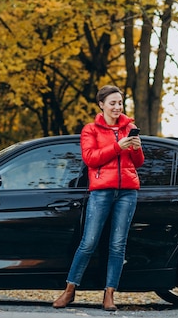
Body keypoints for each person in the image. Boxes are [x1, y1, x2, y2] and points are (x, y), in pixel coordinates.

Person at [52, 85, 144, 311]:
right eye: (112, 103)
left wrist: (136, 148)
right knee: (89, 242)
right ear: (101, 105)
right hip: (101, 191)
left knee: (117, 244)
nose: (117, 107)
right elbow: (91, 159)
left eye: (120, 103)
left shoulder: (129, 127)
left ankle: (109, 295)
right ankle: (69, 291)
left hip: (127, 192)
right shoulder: (90, 130)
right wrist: (117, 146)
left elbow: (138, 163)